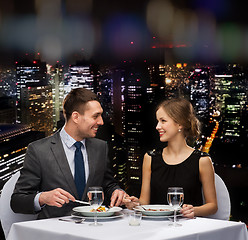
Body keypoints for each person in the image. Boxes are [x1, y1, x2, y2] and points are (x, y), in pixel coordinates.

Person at [11, 88, 126, 219]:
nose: (101, 122)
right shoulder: (38, 150)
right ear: (76, 117)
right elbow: (17, 201)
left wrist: (117, 191)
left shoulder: (100, 147)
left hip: (93, 230)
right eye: (95, 116)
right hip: (54, 233)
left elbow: (108, 185)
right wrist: (42, 198)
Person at [125, 98, 218, 218]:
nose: (157, 126)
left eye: (163, 121)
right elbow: (144, 202)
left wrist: (193, 210)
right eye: (157, 121)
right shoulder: (150, 158)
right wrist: (135, 204)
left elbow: (212, 206)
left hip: (189, 228)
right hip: (156, 226)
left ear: (180, 124)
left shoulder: (202, 160)